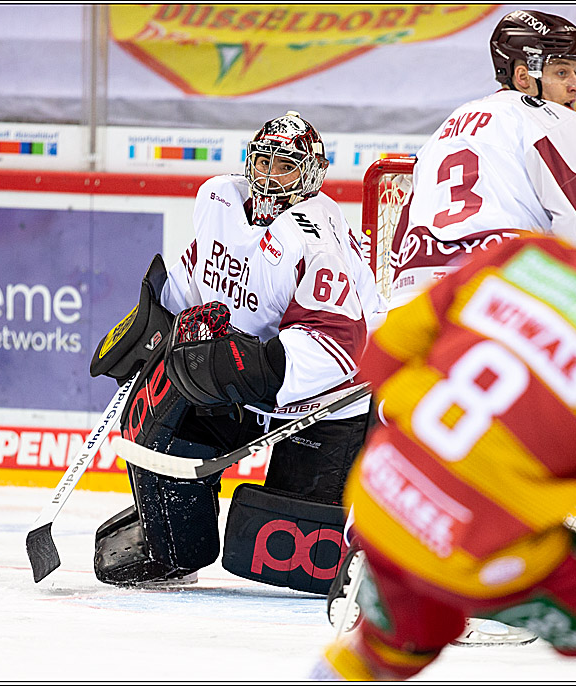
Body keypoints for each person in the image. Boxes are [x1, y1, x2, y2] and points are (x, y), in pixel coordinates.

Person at [316, 154, 576, 681]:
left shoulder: (524, 254)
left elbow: (383, 354)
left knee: (403, 640)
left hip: (380, 500)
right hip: (480, 546)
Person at [88, 111, 383, 593]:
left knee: (290, 558)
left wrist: (248, 366)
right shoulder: (220, 199)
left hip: (325, 401)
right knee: (156, 416)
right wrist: (154, 330)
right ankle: (178, 546)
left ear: (310, 174)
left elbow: (339, 346)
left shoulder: (313, 237)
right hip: (241, 381)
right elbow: (196, 275)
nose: (268, 175)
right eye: (263, 161)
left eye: (285, 166)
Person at [387, 9, 576, 309]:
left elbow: (402, 234)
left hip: (414, 293)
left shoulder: (448, 126)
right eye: (561, 72)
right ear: (523, 76)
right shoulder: (559, 122)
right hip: (498, 289)